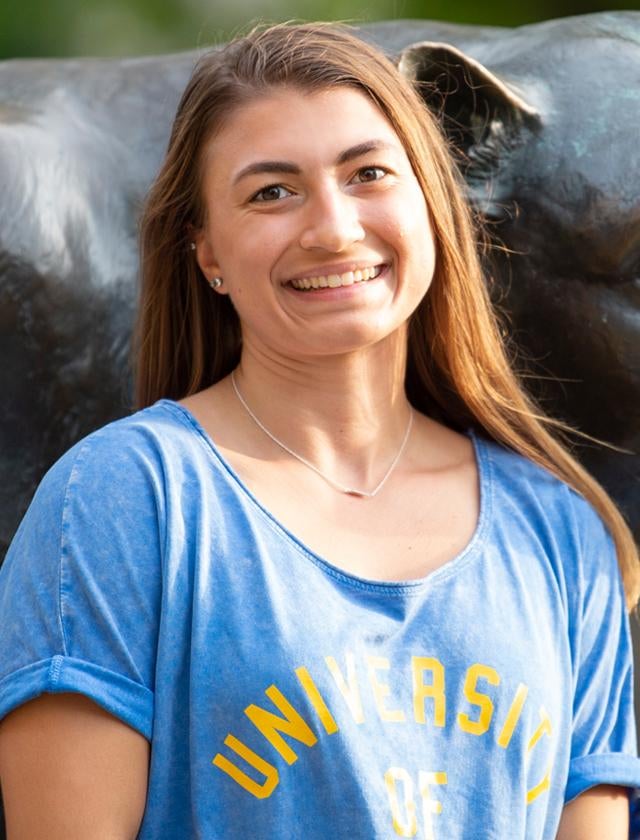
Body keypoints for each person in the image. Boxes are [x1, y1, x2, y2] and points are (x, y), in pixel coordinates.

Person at [0, 21, 638, 840]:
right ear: (207, 253)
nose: (333, 228)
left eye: (369, 173)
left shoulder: (560, 534)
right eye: (272, 191)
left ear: (435, 205)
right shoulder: (125, 502)